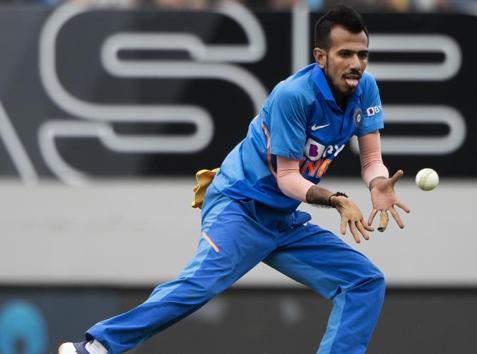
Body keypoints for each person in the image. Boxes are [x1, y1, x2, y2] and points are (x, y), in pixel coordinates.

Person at [59, 4, 410, 354]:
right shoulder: (294, 95)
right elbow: (288, 177)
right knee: (199, 285)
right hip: (240, 204)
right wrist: (335, 199)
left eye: (362, 55)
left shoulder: (365, 89)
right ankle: (95, 346)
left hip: (282, 218)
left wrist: (377, 184)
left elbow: (371, 159)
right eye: (344, 54)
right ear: (320, 56)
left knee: (364, 281)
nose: (355, 64)